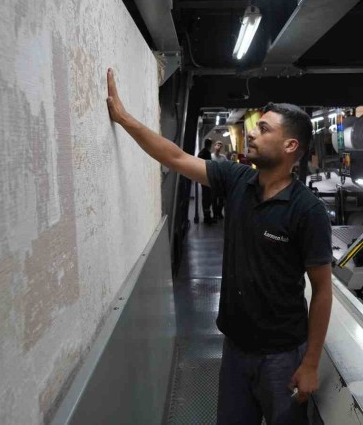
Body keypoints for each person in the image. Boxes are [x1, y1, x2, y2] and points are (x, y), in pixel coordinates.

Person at [106, 68, 333, 425]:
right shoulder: (237, 179)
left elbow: (321, 290)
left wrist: (310, 364)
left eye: (264, 129)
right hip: (236, 348)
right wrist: (124, 119)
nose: (252, 133)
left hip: (282, 356)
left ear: (290, 146)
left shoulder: (307, 210)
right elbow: (175, 158)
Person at [197, 138, 215, 224]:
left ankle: (206, 216)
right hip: (207, 177)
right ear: (210, 145)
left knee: (205, 198)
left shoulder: (201, 152)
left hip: (202, 177)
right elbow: (209, 165)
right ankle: (207, 218)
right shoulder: (207, 153)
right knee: (208, 198)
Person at [211, 141, 227, 220]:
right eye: (218, 145)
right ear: (214, 146)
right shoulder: (211, 156)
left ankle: (219, 213)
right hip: (213, 180)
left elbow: (227, 165)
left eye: (220, 146)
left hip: (221, 180)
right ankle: (214, 214)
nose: (219, 147)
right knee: (214, 199)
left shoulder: (223, 157)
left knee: (221, 199)